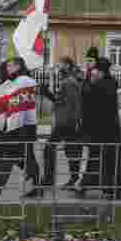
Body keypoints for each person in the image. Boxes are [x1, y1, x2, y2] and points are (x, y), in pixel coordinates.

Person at [0, 57, 41, 200]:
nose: (8, 69)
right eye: (7, 67)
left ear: (18, 66)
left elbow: (13, 98)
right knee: (27, 159)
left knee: (11, 157)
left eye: (10, 66)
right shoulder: (18, 81)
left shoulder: (23, 81)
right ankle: (38, 186)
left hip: (21, 127)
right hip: (22, 126)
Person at [76, 57, 121, 199]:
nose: (93, 72)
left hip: (105, 131)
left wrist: (88, 82)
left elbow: (91, 102)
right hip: (105, 130)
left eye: (95, 70)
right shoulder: (106, 83)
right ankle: (106, 188)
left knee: (104, 159)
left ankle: (112, 189)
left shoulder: (104, 85)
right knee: (102, 159)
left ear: (101, 72)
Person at [39, 57, 84, 190]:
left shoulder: (69, 82)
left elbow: (75, 103)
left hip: (67, 122)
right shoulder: (69, 81)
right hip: (66, 121)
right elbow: (60, 101)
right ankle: (72, 178)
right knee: (71, 150)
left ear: (68, 67)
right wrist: (47, 93)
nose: (59, 68)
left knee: (51, 148)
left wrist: (76, 121)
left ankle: (49, 179)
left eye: (61, 66)